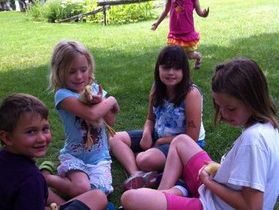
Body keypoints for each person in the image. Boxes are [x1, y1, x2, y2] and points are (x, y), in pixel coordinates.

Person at [120, 58, 279, 210]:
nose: (223, 113)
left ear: (252, 99)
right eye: (219, 106)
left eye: (230, 108)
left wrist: (208, 182)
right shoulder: (268, 129)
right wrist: (220, 169)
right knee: (181, 141)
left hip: (212, 205)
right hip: (217, 192)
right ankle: (166, 193)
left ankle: (174, 193)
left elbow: (252, 207)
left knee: (130, 199)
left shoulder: (254, 141)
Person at [109, 45, 205, 190]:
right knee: (114, 138)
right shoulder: (157, 88)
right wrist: (147, 133)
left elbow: (192, 136)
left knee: (145, 159)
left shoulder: (190, 94)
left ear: (184, 70)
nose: (171, 73)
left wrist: (160, 141)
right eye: (166, 68)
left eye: (177, 68)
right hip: (157, 135)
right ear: (158, 69)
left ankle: (138, 159)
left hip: (182, 145)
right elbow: (150, 119)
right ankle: (137, 174)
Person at [0, 93, 108, 210]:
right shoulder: (31, 179)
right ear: (7, 138)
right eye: (31, 132)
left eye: (45, 129)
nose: (41, 138)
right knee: (98, 197)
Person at [43, 40, 120, 198]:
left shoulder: (95, 90)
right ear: (59, 71)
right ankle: (46, 177)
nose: (79, 76)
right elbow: (92, 115)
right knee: (81, 189)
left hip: (99, 158)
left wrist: (100, 101)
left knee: (100, 192)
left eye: (83, 70)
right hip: (75, 156)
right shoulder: (63, 95)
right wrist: (110, 100)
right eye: (71, 72)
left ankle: (68, 181)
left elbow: (110, 121)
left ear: (89, 68)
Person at [151, 0, 209, 70]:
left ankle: (198, 57)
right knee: (173, 55)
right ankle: (181, 74)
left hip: (187, 31)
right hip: (174, 32)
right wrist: (157, 23)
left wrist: (204, 14)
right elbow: (165, 11)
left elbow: (199, 12)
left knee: (189, 55)